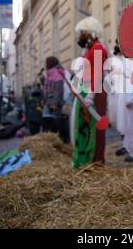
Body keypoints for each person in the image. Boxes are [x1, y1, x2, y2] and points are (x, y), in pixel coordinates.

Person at [72, 16, 108, 166]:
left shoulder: (98, 48)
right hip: (88, 90)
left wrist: (91, 95)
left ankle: (97, 160)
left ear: (90, 33)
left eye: (83, 32)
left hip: (96, 92)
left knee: (97, 125)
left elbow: (97, 73)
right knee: (88, 125)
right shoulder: (91, 49)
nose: (80, 36)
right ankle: (90, 157)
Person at [42, 56, 65, 135]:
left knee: (52, 125)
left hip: (53, 104)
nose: (45, 65)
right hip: (48, 102)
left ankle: (53, 140)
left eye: (46, 63)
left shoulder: (56, 73)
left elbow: (58, 91)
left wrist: (54, 104)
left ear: (49, 63)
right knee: (47, 123)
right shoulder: (50, 74)